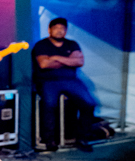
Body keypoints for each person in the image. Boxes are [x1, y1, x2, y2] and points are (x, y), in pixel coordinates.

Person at [33, 17, 95, 152]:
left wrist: (55, 58)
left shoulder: (72, 44)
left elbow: (79, 62)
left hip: (70, 80)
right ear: (49, 30)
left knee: (89, 103)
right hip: (49, 81)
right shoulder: (41, 45)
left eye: (62, 28)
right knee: (49, 105)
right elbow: (44, 64)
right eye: (56, 28)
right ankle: (49, 140)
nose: (59, 31)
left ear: (66, 31)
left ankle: (82, 138)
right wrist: (68, 60)